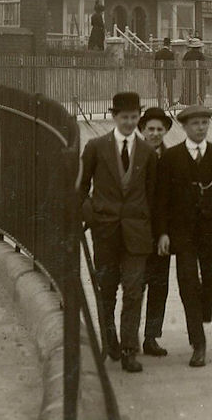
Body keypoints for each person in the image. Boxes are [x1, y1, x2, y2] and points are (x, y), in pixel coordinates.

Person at [155, 105, 212, 367]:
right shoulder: (170, 158)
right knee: (187, 285)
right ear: (184, 127)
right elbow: (160, 201)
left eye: (205, 123)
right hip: (183, 235)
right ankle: (198, 343)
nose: (201, 128)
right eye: (195, 124)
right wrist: (163, 233)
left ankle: (208, 300)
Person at [79, 92, 156, 373]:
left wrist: (154, 230)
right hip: (106, 232)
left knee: (134, 291)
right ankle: (109, 338)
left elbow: (153, 195)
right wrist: (90, 216)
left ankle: (128, 350)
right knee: (106, 290)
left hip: (137, 234)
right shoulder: (96, 147)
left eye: (134, 117)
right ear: (114, 117)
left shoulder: (147, 152)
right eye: (124, 117)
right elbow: (81, 188)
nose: (129, 122)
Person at [137, 107, 173, 357]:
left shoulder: (172, 159)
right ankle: (127, 335)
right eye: (150, 129)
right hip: (136, 233)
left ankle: (151, 338)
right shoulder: (132, 155)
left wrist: (167, 232)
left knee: (159, 286)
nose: (155, 133)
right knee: (133, 286)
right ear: (142, 130)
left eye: (160, 129)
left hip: (161, 235)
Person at [181, 38, 208, 105]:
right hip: (199, 75)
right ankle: (199, 101)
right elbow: (204, 65)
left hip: (188, 74)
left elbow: (183, 63)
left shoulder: (187, 54)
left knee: (189, 87)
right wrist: (206, 72)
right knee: (199, 88)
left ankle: (189, 101)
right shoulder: (200, 55)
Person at [154, 38, 176, 108]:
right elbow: (172, 65)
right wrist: (173, 74)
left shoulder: (158, 53)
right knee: (170, 88)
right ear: (169, 44)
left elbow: (155, 65)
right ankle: (171, 103)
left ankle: (160, 103)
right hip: (168, 73)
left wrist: (155, 74)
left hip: (159, 73)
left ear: (163, 44)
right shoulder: (171, 54)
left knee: (160, 88)